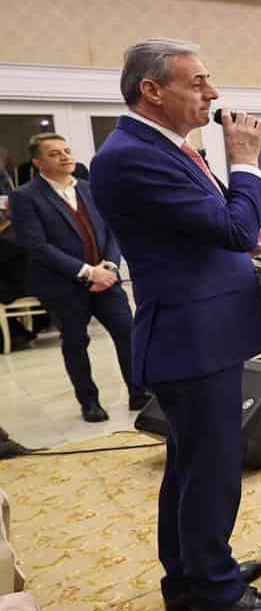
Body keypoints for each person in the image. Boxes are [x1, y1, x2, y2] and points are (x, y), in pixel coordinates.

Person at [91, 38, 261, 611]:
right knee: (212, 468)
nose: (213, 93)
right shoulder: (133, 155)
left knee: (189, 465)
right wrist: (245, 163)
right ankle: (217, 596)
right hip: (192, 336)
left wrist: (248, 242)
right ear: (152, 90)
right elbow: (229, 226)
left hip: (201, 329)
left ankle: (188, 578)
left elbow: (200, 233)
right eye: (199, 82)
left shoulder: (162, 148)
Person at [10, 132, 144, 421]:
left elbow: (111, 231)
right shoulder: (24, 197)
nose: (65, 156)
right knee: (75, 342)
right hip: (62, 285)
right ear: (38, 163)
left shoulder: (91, 188)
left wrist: (110, 266)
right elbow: (36, 245)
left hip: (106, 281)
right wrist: (88, 272)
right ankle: (89, 402)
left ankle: (139, 392)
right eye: (54, 153)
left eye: (67, 150)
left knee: (128, 333)